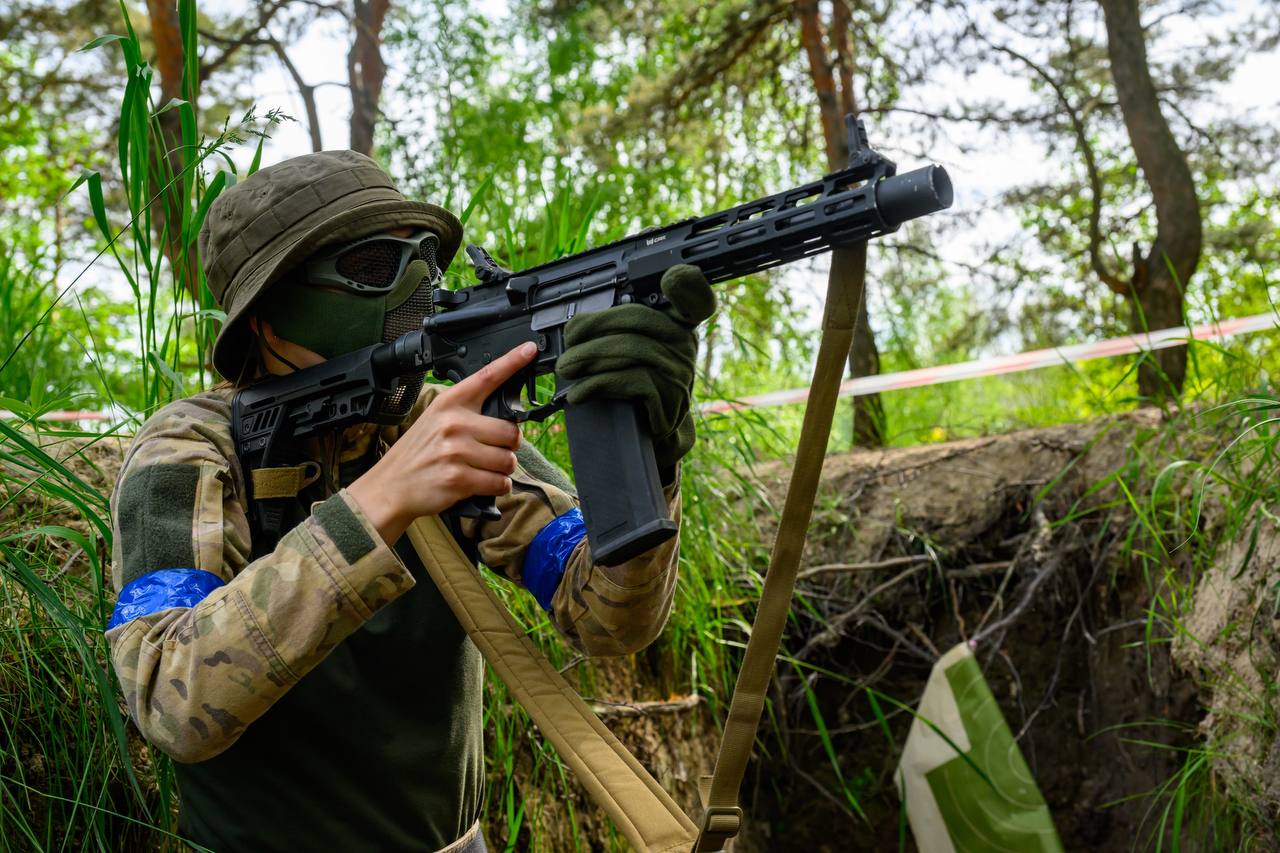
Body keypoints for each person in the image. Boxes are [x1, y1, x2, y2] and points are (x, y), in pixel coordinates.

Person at [104, 150, 714, 852]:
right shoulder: (188, 449)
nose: (418, 286)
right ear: (267, 320)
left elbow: (609, 621)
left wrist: (649, 457)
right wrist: (379, 504)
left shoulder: (438, 421)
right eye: (373, 267)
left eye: (425, 257)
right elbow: (169, 697)